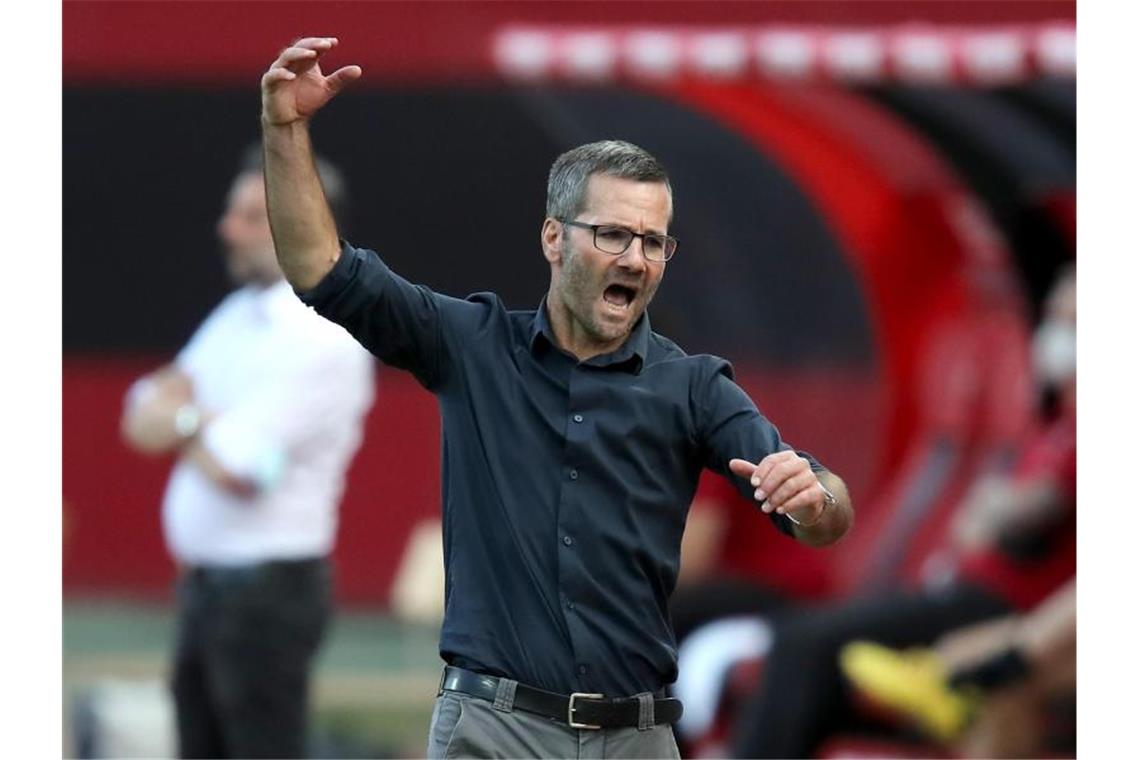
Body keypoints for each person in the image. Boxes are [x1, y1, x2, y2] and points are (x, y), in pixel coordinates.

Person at [259, 36, 853, 759]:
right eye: (613, 235)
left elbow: (822, 511)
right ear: (553, 238)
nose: (635, 258)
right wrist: (285, 132)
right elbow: (319, 269)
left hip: (638, 736)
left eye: (654, 242)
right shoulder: (471, 345)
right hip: (495, 728)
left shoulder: (694, 385)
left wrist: (815, 498)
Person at [726, 267, 1076, 759]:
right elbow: (982, 519)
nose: (1059, 337)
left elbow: (1024, 510)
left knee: (805, 643)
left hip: (1006, 600)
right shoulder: (1056, 423)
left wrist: (995, 512)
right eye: (1056, 319)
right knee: (807, 650)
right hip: (971, 589)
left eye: (1074, 323)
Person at [120, 145, 375, 758]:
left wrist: (181, 419)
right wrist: (201, 423)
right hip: (208, 589)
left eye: (251, 216)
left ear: (305, 219)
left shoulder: (325, 337)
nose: (226, 229)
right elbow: (137, 411)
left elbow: (243, 468)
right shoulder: (236, 315)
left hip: (268, 595)